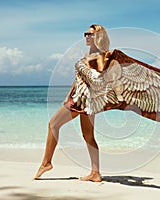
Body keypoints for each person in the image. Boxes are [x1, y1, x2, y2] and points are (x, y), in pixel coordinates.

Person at [34, 24, 110, 182]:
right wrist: (68, 95)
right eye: (86, 34)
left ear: (99, 37)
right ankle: (95, 173)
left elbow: (101, 77)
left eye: (91, 34)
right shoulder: (88, 54)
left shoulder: (99, 56)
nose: (87, 37)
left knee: (53, 124)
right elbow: (78, 79)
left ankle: (46, 163)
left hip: (83, 99)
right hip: (81, 98)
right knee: (88, 136)